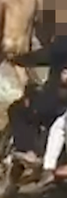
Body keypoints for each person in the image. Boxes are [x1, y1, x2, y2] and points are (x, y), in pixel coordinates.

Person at [10, 33, 67, 189]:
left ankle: (30, 152)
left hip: (57, 101)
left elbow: (44, 56)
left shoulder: (62, 44)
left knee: (19, 109)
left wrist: (18, 59)